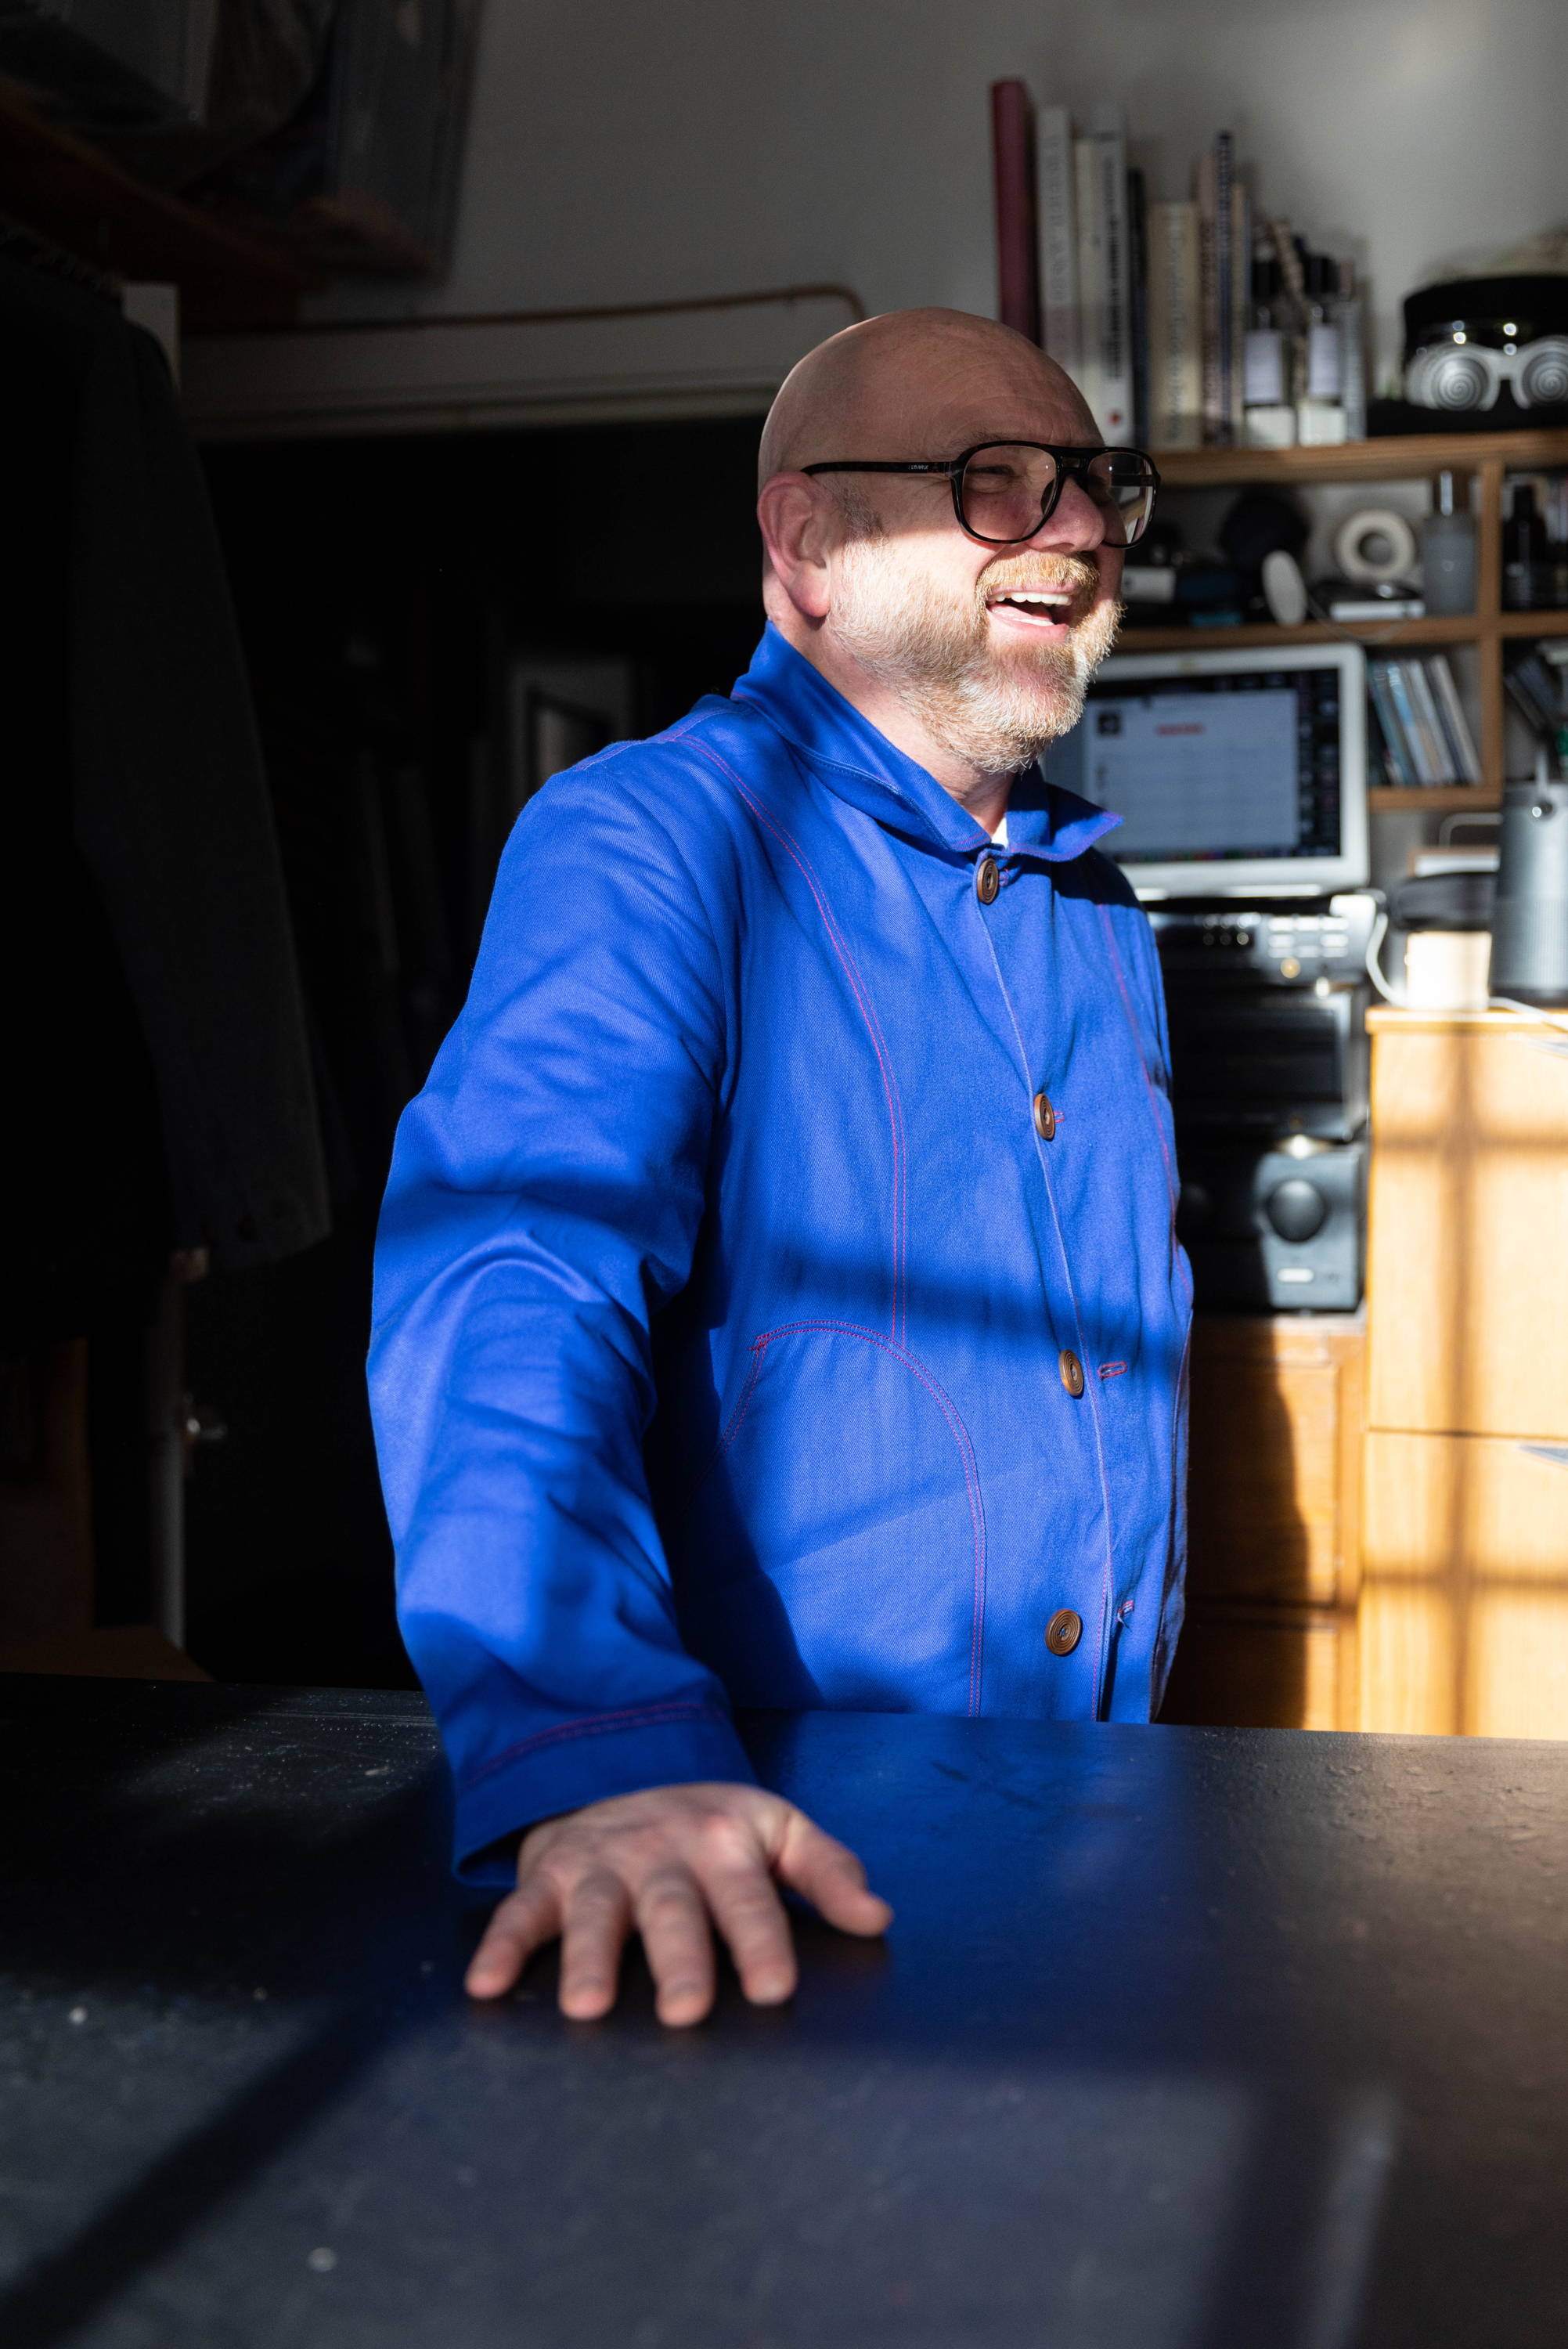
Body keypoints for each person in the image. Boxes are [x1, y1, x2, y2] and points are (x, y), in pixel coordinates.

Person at [369, 307, 1190, 2028]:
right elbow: (510, 1282)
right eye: (997, 485)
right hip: (755, 1868)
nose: (1083, 535)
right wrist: (591, 1745)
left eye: (1100, 495)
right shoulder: (650, 839)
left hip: (1094, 1858)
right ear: (808, 542)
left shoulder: (1099, 917)